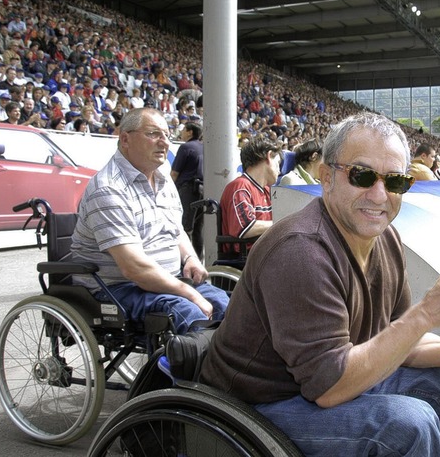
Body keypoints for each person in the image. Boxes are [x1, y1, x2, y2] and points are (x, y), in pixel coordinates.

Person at [200, 113, 440, 456]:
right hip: (251, 407)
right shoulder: (300, 251)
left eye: (395, 181)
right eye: (362, 175)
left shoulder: (387, 239)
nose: (379, 195)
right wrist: (425, 314)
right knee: (411, 424)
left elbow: (398, 338)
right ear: (326, 177)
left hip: (317, 383)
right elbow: (329, 387)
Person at [70, 108, 229, 334]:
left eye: (166, 134)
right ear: (125, 139)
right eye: (154, 134)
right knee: (192, 315)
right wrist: (191, 293)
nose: (164, 142)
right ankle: (198, 367)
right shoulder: (108, 189)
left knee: (230, 307)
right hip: (119, 287)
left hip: (168, 280)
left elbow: (176, 230)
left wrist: (190, 257)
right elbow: (134, 268)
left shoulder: (163, 180)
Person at [219, 137, 282, 243]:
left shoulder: (266, 190)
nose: (279, 171)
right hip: (247, 256)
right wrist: (282, 223)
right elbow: (246, 228)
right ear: (268, 156)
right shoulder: (240, 187)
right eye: (278, 163)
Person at [170, 122, 205, 258]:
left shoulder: (186, 147)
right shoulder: (203, 147)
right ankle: (198, 258)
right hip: (202, 190)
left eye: (184, 129)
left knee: (185, 227)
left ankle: (186, 260)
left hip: (188, 189)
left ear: (190, 132)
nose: (182, 132)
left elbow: (174, 173)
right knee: (198, 228)